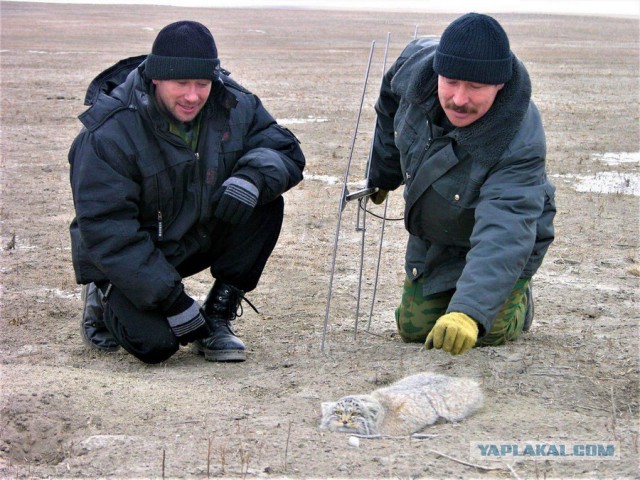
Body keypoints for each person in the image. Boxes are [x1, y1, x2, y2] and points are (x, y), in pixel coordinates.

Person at [69, 21, 305, 364]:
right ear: (156, 78)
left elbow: (284, 149)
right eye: (181, 83)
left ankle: (218, 314)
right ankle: (102, 293)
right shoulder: (108, 131)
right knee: (155, 346)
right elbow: (108, 231)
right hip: (132, 252)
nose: (193, 95)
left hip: (193, 231)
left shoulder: (234, 103)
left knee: (265, 202)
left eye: (202, 83)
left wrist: (252, 177)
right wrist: (174, 303)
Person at [367, 13, 555, 355]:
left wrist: (468, 312)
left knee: (480, 332)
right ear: (438, 71)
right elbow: (388, 102)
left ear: (499, 84)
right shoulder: (416, 68)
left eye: (476, 87)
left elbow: (506, 228)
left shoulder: (519, 138)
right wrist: (383, 172)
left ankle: (517, 300)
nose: (458, 98)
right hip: (437, 229)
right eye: (451, 81)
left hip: (500, 236)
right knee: (416, 330)